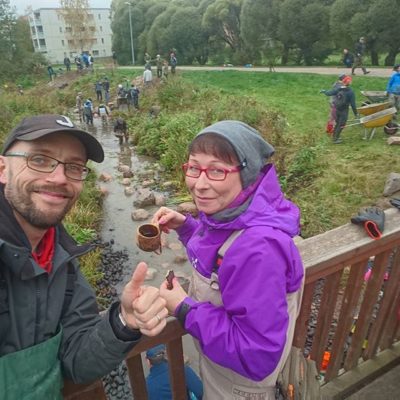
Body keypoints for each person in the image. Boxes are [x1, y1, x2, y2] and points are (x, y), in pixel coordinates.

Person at [0, 114, 168, 398]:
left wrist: (124, 322)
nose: (59, 178)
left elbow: (77, 363)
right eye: (40, 160)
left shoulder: (61, 261)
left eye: (74, 167)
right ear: (3, 169)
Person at [152, 121, 304, 399]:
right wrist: (186, 226)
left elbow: (256, 354)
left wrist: (184, 309)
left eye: (217, 171)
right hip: (223, 367)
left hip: (241, 387)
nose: (199, 184)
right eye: (194, 167)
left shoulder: (260, 249)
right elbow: (223, 253)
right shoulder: (237, 214)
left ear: (246, 175)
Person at [321, 75, 358, 144]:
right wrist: (356, 113)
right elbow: (353, 104)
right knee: (341, 124)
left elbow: (330, 93)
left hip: (337, 109)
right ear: (349, 82)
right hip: (344, 110)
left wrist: (324, 91)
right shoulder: (350, 92)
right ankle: (335, 139)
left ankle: (335, 136)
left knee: (338, 123)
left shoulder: (339, 88)